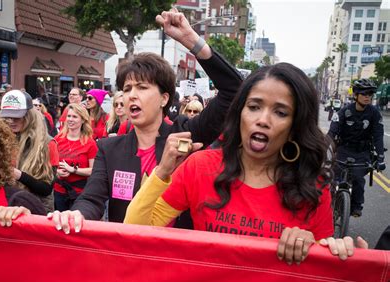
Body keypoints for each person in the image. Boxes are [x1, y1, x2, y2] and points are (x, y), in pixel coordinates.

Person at [123, 62, 340, 265]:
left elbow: (323, 271)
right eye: (254, 107)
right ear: (239, 113)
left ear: (296, 125)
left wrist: (316, 246)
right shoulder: (200, 167)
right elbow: (133, 231)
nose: (263, 120)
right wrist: (162, 171)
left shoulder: (313, 185)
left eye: (280, 112)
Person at [49, 8, 243, 229]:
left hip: (176, 257)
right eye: (127, 88)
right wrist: (76, 214)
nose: (131, 94)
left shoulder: (187, 134)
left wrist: (191, 41)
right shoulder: (108, 148)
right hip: (127, 256)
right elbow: (92, 200)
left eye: (142, 87)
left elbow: (235, 89)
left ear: (164, 98)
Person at [328, 79, 385, 218]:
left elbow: (378, 136)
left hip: (362, 152)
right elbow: (331, 133)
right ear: (356, 95)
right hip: (343, 150)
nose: (368, 96)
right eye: (364, 93)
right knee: (332, 179)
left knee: (359, 179)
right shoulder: (344, 111)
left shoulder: (374, 113)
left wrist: (381, 158)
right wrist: (325, 150)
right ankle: (328, 205)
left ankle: (356, 206)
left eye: (370, 93)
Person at [0, 90, 58, 212]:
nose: (11, 121)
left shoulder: (47, 143)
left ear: (28, 115)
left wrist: (18, 175)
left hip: (37, 212)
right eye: (7, 117)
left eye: (16, 117)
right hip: (7, 208)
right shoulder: (3, 138)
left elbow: (46, 189)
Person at [54, 104, 97, 211]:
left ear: (83, 120)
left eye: (75, 117)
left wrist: (73, 170)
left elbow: (94, 170)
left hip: (79, 193)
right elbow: (48, 165)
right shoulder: (57, 139)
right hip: (59, 191)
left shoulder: (90, 143)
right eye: (69, 116)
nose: (70, 119)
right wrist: (57, 172)